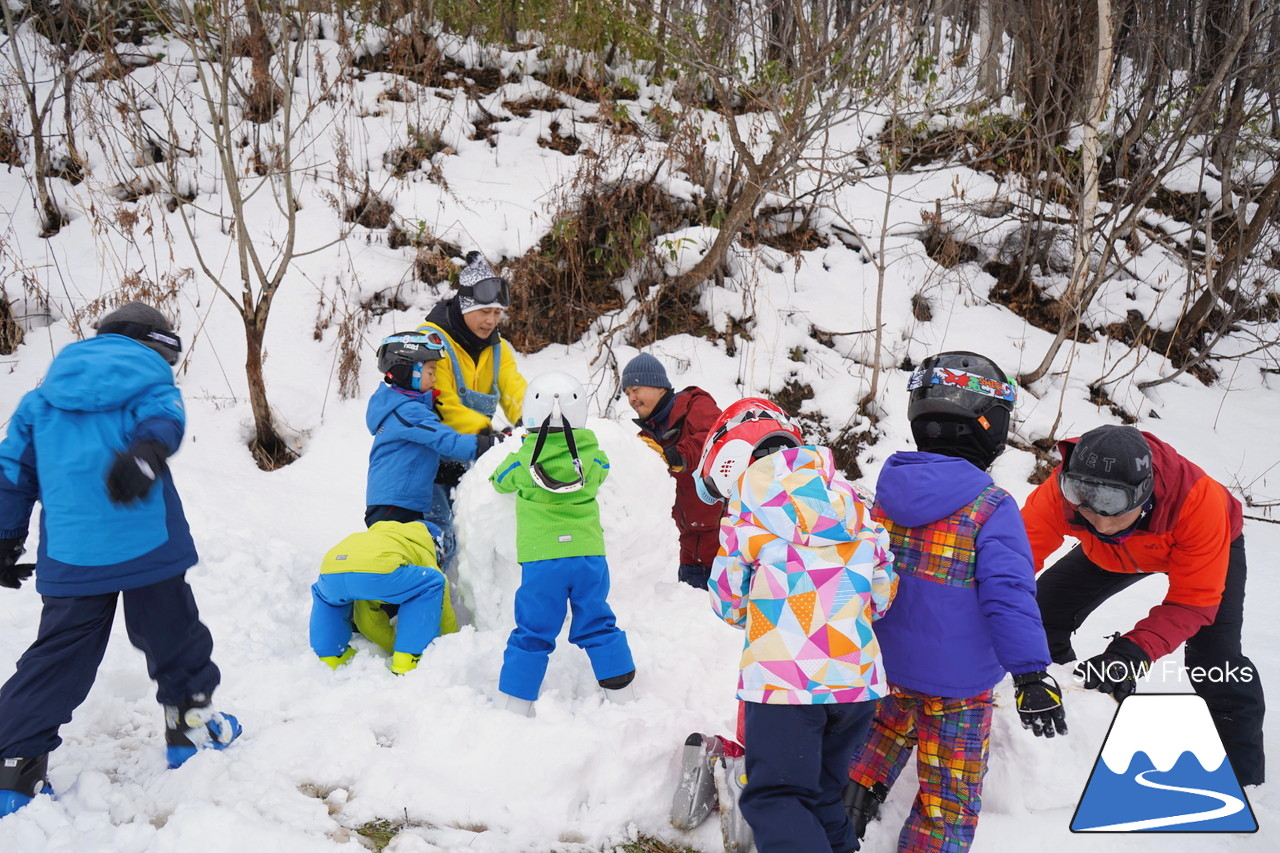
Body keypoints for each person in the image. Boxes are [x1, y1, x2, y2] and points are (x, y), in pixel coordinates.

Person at [0, 302, 241, 817]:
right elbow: (164, 420)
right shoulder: (151, 384)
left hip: (73, 553)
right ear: (155, 345)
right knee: (174, 636)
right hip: (148, 545)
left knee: (58, 655)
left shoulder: (38, 402)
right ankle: (191, 730)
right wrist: (146, 452)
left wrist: (4, 541)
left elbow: (13, 474)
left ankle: (13, 767)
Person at [1022, 423, 1265, 786]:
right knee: (1040, 614)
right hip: (1111, 555)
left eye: (1113, 510)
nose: (1101, 523)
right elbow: (1015, 560)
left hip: (1206, 544)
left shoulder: (1198, 501)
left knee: (1215, 659)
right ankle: (1072, 703)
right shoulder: (1063, 490)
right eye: (1087, 508)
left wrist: (1130, 654)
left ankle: (1241, 775)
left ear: (1144, 493)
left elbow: (1191, 603)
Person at [704, 398, 896, 853]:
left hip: (785, 684)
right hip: (854, 684)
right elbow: (883, 594)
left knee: (776, 797)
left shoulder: (745, 518)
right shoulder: (854, 505)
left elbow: (729, 603)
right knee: (823, 794)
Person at [489, 372, 635, 717]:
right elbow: (602, 469)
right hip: (588, 556)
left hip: (543, 560)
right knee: (598, 621)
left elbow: (498, 482)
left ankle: (513, 706)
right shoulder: (592, 455)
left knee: (534, 630)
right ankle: (623, 698)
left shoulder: (524, 460)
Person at [417, 252, 527, 560]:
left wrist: (534, 422)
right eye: (483, 311)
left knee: (471, 547)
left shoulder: (498, 348)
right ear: (465, 306)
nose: (491, 320)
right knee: (436, 542)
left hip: (473, 459)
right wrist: (491, 436)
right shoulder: (430, 340)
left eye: (497, 312)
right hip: (429, 463)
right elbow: (444, 403)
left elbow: (515, 390)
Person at [621, 352, 723, 589]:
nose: (631, 398)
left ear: (658, 386)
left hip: (724, 546)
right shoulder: (646, 437)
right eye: (627, 394)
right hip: (688, 552)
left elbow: (714, 438)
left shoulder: (694, 404)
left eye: (635, 390)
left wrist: (675, 456)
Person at [309, 520, 458, 674]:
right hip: (377, 571)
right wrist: (451, 642)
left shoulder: (381, 538)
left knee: (327, 599)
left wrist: (390, 643)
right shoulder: (421, 545)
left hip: (331, 568)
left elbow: (368, 621)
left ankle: (331, 656)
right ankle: (411, 657)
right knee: (432, 582)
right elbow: (442, 606)